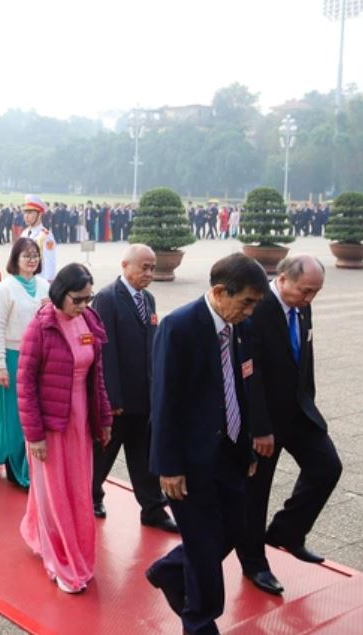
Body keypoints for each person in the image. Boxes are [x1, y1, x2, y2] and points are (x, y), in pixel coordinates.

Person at [145, 253, 268, 635]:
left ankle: (168, 570)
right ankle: (199, 621)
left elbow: (242, 388)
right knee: (202, 551)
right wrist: (168, 465)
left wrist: (246, 448)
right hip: (189, 463)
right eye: (245, 301)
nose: (249, 310)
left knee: (233, 531)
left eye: (255, 303)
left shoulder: (240, 328)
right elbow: (164, 400)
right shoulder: (179, 328)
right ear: (219, 291)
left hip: (229, 456)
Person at [235, 255, 341, 596]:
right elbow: (251, 373)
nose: (309, 298)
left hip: (298, 411)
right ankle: (253, 563)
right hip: (264, 419)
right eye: (305, 290)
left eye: (315, 292)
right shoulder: (256, 308)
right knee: (256, 493)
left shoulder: (302, 306)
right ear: (282, 280)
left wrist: (308, 399)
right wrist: (259, 428)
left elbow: (303, 357)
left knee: (327, 467)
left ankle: (287, 532)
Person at [16, 263, 112, 593]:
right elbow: (25, 383)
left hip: (81, 421)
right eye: (79, 299)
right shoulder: (40, 327)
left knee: (77, 490)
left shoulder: (89, 321)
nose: (84, 305)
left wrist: (104, 419)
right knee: (54, 493)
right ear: (61, 294)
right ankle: (61, 560)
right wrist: (35, 435)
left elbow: (96, 375)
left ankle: (40, 532)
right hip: (51, 423)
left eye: (89, 298)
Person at [91, 245, 177, 533]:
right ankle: (91, 496)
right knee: (104, 453)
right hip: (119, 398)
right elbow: (105, 352)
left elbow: (153, 346)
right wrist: (111, 396)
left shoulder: (148, 299)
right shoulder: (106, 298)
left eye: (152, 268)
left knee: (144, 456)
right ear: (125, 265)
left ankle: (152, 508)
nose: (149, 273)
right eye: (145, 267)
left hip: (145, 396)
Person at [0, 238, 50, 487]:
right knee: (15, 416)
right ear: (15, 259)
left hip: (39, 359)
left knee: (35, 414)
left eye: (35, 255)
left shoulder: (44, 286)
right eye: (26, 255)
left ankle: (31, 466)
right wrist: (0, 364)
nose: (31, 260)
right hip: (12, 357)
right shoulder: (6, 288)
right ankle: (15, 469)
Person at [19, 195, 57, 283]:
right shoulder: (24, 233)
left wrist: (47, 283)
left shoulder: (45, 236)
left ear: (39, 214)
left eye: (30, 213)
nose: (26, 216)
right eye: (25, 213)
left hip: (38, 281)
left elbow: (49, 262)